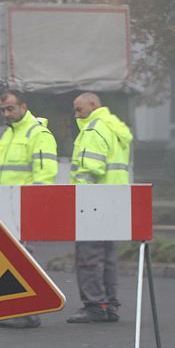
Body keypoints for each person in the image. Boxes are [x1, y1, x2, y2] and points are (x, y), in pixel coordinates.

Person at [0, 89, 58, 329]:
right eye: (3, 110)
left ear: (23, 107)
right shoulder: (7, 135)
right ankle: (21, 310)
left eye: (10, 108)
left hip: (22, 206)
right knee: (12, 259)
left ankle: (28, 311)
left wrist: (35, 207)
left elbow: (45, 174)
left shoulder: (37, 134)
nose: (6, 113)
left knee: (22, 260)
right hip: (3, 207)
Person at [67, 92, 133, 324]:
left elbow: (89, 170)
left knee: (88, 256)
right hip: (114, 199)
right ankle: (110, 304)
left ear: (93, 105)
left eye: (79, 109)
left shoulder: (94, 130)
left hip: (92, 201)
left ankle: (94, 305)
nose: (76, 114)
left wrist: (79, 200)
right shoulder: (114, 127)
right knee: (107, 255)